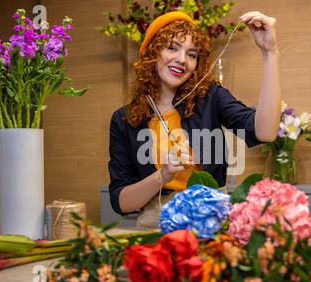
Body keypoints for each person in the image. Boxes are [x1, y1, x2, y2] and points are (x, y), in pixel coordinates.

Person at [108, 10, 281, 228]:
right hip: (156, 230)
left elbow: (265, 132)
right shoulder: (123, 120)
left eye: (192, 54)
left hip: (213, 227)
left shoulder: (211, 97)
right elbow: (121, 202)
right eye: (172, 48)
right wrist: (164, 174)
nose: (182, 60)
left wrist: (270, 52)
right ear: (152, 52)